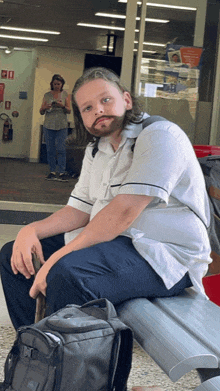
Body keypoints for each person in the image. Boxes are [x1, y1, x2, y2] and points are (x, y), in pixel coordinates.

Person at [0, 67, 212, 330]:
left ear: (126, 100)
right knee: (15, 256)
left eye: (105, 100)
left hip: (164, 254)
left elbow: (123, 213)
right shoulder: (96, 150)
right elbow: (79, 210)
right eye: (87, 108)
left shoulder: (160, 135)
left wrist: (56, 258)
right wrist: (30, 231)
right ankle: (34, 346)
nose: (98, 110)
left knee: (68, 274)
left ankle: (64, 362)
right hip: (115, 243)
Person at [40, 74, 71, 181]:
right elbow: (41, 111)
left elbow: (69, 110)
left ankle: (62, 172)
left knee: (61, 149)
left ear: (62, 84)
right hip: (49, 125)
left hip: (61, 125)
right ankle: (52, 171)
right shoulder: (47, 95)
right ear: (52, 84)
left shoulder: (65, 94)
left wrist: (62, 106)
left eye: (59, 84)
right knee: (50, 149)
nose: (57, 86)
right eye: (55, 84)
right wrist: (45, 107)